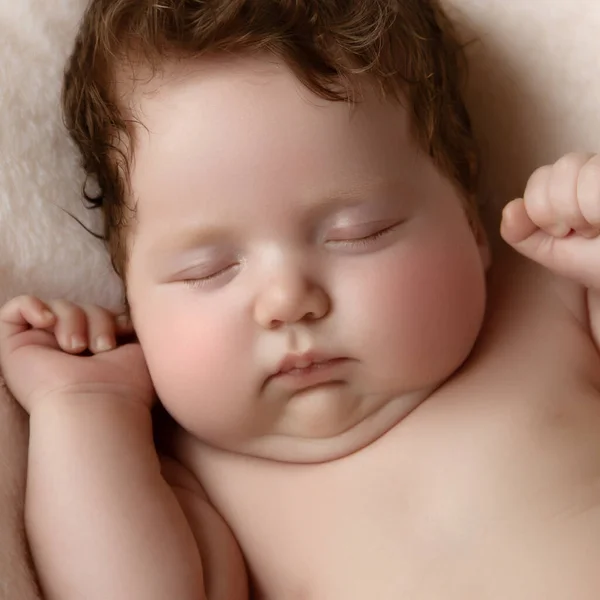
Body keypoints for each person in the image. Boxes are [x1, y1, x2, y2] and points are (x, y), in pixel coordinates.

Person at [2, 0, 600, 598]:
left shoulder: (549, 300)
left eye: (358, 233)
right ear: (131, 296)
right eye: (206, 270)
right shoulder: (190, 471)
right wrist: (84, 408)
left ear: (469, 216)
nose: (288, 300)